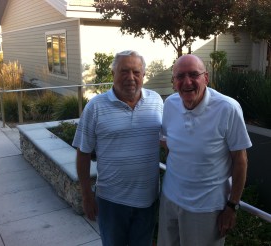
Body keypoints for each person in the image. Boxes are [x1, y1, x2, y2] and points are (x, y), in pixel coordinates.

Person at [158, 54, 252, 246]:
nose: (187, 82)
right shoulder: (170, 104)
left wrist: (232, 206)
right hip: (169, 200)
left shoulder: (228, 108)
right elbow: (169, 145)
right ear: (173, 82)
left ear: (206, 78)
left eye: (194, 74)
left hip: (206, 209)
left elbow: (240, 161)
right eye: (180, 76)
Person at [72, 50, 163, 246]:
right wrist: (87, 195)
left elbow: (166, 141)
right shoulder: (95, 107)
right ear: (113, 74)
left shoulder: (156, 101)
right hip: (112, 202)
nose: (131, 78)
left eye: (136, 72)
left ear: (143, 75)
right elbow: (83, 153)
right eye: (124, 71)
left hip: (148, 201)